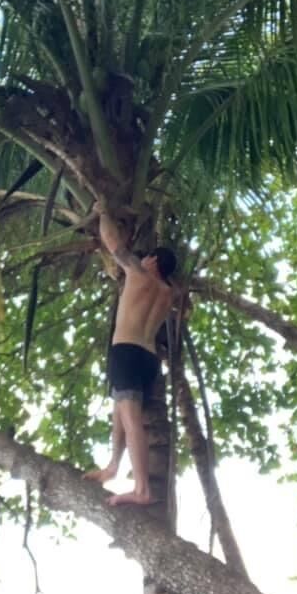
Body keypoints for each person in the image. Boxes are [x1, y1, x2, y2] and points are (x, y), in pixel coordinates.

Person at [84, 201, 177, 505]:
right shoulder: (168, 294)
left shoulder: (138, 273)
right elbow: (184, 308)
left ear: (152, 261)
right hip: (149, 360)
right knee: (120, 412)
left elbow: (113, 243)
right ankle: (113, 466)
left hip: (125, 351)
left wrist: (103, 211)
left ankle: (141, 489)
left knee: (131, 418)